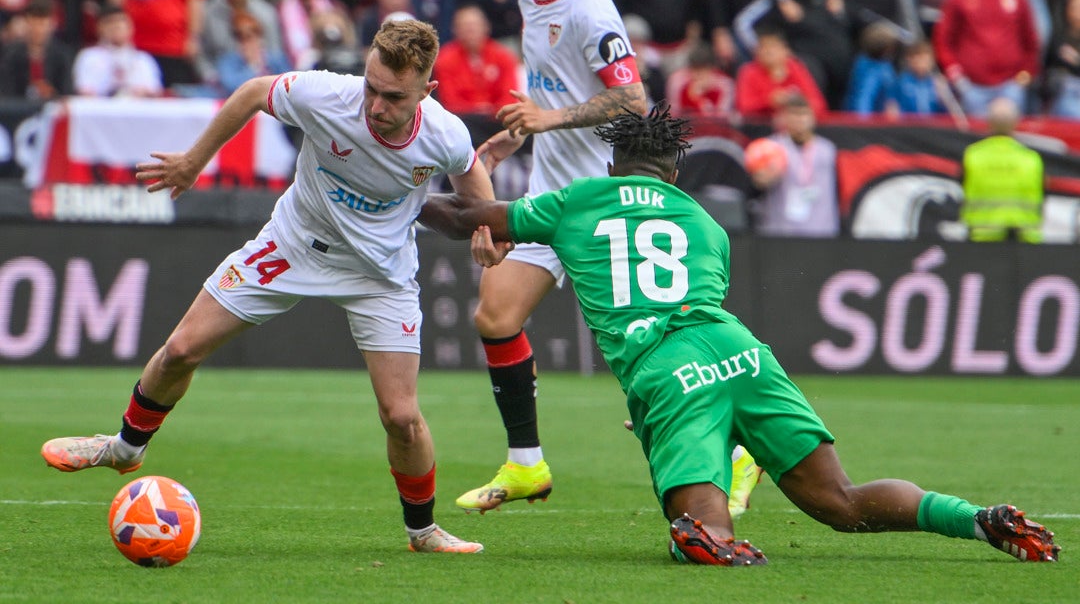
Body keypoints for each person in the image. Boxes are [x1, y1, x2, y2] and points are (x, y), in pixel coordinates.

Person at [418, 104, 1061, 566]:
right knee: (842, 502)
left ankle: (703, 530)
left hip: (666, 371)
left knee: (704, 532)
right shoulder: (706, 224)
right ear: (674, 173)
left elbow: (461, 216)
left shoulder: (577, 200)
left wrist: (408, 195)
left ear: (615, 162)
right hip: (740, 353)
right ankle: (974, 519)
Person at [40, 18, 492, 556]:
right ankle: (123, 448)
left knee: (401, 415)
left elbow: (472, 186)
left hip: (380, 273)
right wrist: (192, 161)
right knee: (182, 349)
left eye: (393, 97)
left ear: (427, 91)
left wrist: (488, 230)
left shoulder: (445, 133)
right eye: (371, 87)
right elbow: (255, 92)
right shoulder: (327, 95)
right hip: (292, 245)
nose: (375, 106)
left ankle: (422, 532)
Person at [452, 0, 649, 513]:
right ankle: (526, 466)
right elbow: (548, 91)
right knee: (495, 315)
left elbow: (633, 99)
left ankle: (737, 450)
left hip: (598, 201)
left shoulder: (593, 9)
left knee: (646, 348)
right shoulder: (528, 1)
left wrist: (549, 119)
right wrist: (516, 137)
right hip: (551, 194)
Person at [933, 0, 1040, 116]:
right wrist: (955, 75)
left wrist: (1025, 75)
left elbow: (1030, 38)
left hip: (1010, 86)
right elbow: (943, 38)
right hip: (972, 87)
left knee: (1009, 138)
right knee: (976, 138)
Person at [749, 93, 840, 237]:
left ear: (813, 117)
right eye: (794, 115)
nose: (799, 120)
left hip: (821, 230)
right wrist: (762, 179)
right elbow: (757, 184)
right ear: (784, 118)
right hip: (781, 230)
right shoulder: (770, 148)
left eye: (803, 114)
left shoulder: (827, 150)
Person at [961, 97, 1045, 243]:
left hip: (981, 239)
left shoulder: (972, 155)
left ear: (988, 123)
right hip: (1024, 241)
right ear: (1015, 123)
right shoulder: (1032, 159)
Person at [432, 4, 520, 115]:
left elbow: (509, 97)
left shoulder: (503, 56)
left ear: (486, 27)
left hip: (498, 120)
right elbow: (449, 101)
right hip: (463, 121)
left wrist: (492, 112)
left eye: (474, 25)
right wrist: (476, 111)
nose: (470, 30)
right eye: (464, 26)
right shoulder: (445, 59)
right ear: (454, 30)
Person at [72, 3, 164, 97]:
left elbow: (154, 93)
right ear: (99, 28)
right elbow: (84, 91)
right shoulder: (89, 57)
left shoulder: (144, 60)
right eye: (109, 22)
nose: (116, 26)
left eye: (121, 21)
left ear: (131, 27)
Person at [0, 0, 75, 100]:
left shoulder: (62, 55)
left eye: (43, 24)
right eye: (34, 23)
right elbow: (6, 92)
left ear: (52, 24)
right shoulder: (11, 54)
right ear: (26, 22)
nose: (38, 30)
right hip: (18, 112)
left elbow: (67, 93)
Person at [216, 11, 291, 95]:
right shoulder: (227, 62)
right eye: (240, 38)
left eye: (250, 36)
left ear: (260, 37)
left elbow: (288, 85)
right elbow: (232, 88)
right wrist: (253, 66)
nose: (246, 43)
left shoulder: (276, 58)